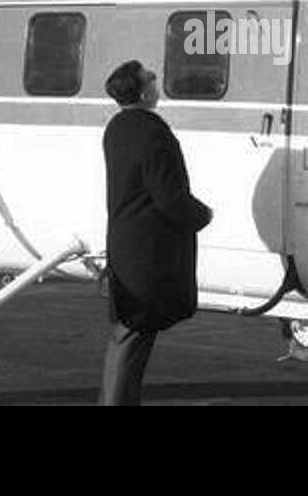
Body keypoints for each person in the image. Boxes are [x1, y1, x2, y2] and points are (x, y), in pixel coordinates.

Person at [99, 59, 213, 406]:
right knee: (133, 332)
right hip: (147, 251)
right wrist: (201, 215)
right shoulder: (152, 132)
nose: (156, 80)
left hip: (125, 243)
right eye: (150, 77)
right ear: (143, 90)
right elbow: (168, 195)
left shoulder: (116, 127)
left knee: (131, 331)